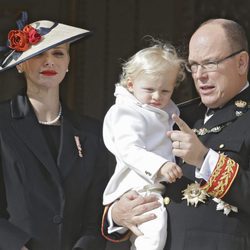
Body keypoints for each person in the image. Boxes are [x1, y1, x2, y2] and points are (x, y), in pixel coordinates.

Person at [102, 18, 250, 250]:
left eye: (210, 63)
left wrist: (204, 159)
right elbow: (128, 169)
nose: (200, 75)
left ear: (241, 63)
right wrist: (117, 216)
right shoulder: (173, 113)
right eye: (194, 65)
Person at [0, 12, 108, 250]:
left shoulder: (93, 132)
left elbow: (96, 214)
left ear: (68, 63)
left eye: (58, 53)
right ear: (20, 65)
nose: (49, 61)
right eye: (39, 53)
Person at [102, 40, 185, 250]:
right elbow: (129, 149)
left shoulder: (165, 110)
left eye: (165, 91)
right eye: (149, 89)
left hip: (155, 185)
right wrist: (161, 166)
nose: (157, 97)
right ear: (130, 84)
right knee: (153, 233)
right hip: (139, 186)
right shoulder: (126, 111)